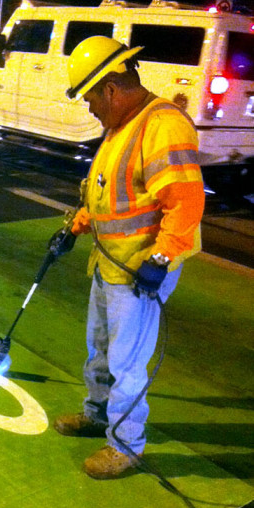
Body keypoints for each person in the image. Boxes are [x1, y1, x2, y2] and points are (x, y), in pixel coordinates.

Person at [53, 35, 205, 479]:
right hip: (110, 261)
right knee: (99, 347)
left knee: (126, 361)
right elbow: (112, 192)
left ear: (112, 89)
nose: (89, 107)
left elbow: (186, 202)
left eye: (90, 98)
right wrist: (78, 224)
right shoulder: (122, 125)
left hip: (140, 268)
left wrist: (160, 260)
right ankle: (97, 413)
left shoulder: (162, 125)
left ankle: (125, 445)